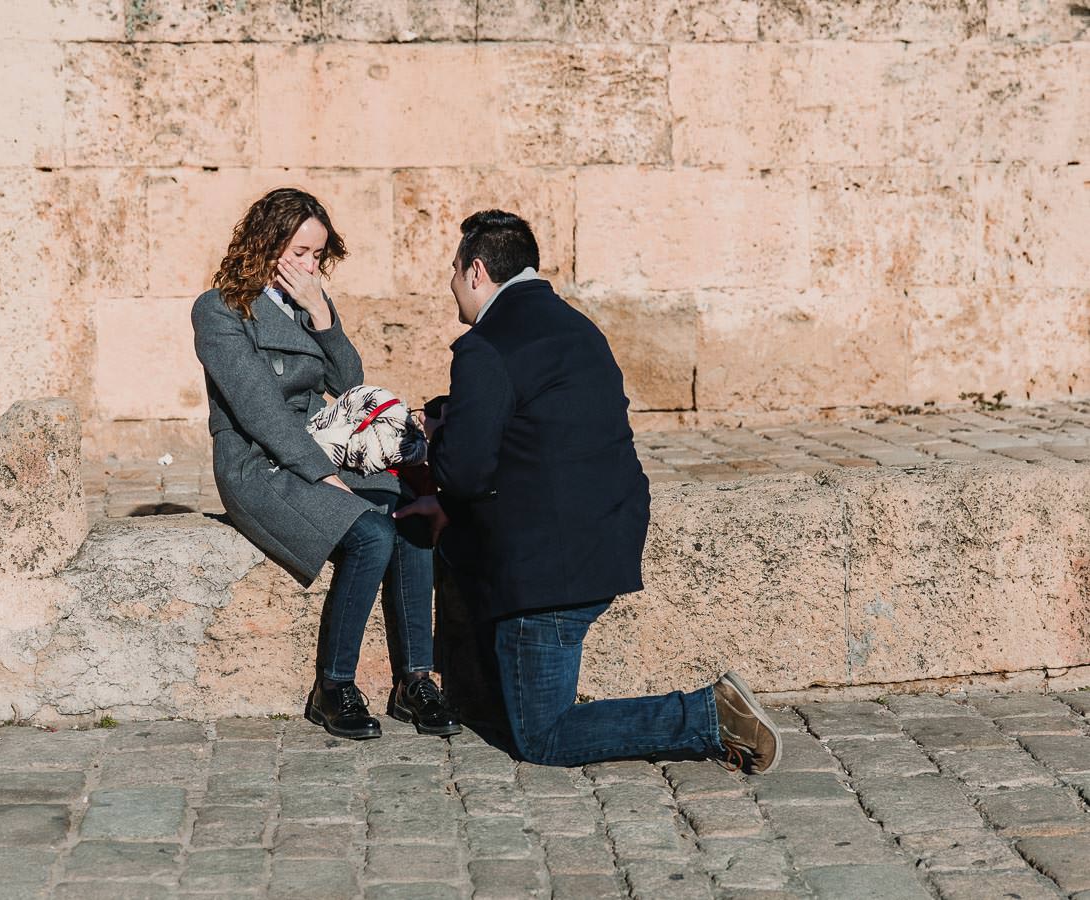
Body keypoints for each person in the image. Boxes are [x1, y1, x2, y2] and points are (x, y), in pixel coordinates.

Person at [396, 210, 780, 772]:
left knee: (543, 736)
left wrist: (439, 443)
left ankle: (708, 716)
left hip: (549, 571)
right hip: (608, 533)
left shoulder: (484, 347)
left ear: (477, 271)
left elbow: (466, 474)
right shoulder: (575, 326)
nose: (451, 283)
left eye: (454, 270)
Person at [192, 188, 459, 741]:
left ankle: (415, 681)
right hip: (259, 462)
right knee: (370, 536)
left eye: (315, 255)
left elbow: (348, 385)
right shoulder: (219, 309)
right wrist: (323, 476)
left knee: (408, 516)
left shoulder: (311, 304)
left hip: (322, 442)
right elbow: (259, 410)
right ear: (264, 244)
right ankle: (333, 686)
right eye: (296, 252)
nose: (307, 265)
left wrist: (321, 315)